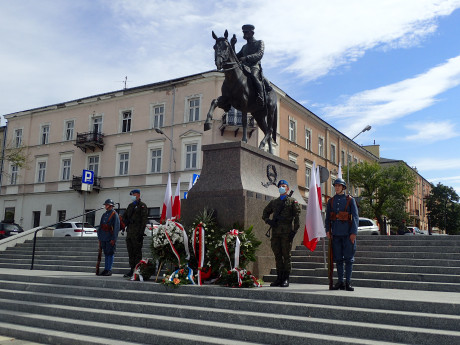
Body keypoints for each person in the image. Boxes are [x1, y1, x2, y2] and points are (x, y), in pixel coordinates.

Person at [262, 179, 301, 287]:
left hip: (286, 233)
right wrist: (268, 220)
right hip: (276, 233)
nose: (281, 187)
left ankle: (286, 279)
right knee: (277, 255)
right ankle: (279, 278)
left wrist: (294, 231)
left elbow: (297, 218)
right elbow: (265, 212)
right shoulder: (274, 202)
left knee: (286, 256)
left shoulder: (292, 201)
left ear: (287, 188)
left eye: (284, 185)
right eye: (280, 186)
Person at [325, 178, 359, 291]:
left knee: (349, 259)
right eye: (336, 186)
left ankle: (348, 282)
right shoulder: (331, 201)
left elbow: (355, 217)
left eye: (339, 186)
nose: (337, 187)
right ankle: (340, 282)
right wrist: (328, 231)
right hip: (336, 234)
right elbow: (328, 217)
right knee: (338, 259)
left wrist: (353, 232)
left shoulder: (350, 200)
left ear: (343, 187)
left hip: (348, 234)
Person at [234, 24, 266, 107]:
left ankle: (261, 97)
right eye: (244, 32)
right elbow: (235, 57)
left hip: (254, 66)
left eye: (246, 32)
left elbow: (259, 54)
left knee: (253, 76)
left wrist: (247, 58)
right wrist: (233, 45)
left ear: (252, 32)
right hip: (244, 67)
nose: (244, 34)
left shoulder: (259, 42)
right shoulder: (244, 47)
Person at [122, 189, 148, 278]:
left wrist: (141, 233)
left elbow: (144, 220)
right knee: (130, 252)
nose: (132, 196)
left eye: (133, 194)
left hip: (137, 233)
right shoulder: (130, 206)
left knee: (137, 252)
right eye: (131, 195)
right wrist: (126, 221)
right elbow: (124, 216)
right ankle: (132, 268)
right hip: (130, 232)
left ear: (138, 195)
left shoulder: (142, 206)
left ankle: (138, 269)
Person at [97, 199, 120, 276]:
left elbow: (116, 227)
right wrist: (99, 237)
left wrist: (114, 238)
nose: (105, 206)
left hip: (110, 237)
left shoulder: (114, 214)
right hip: (103, 237)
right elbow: (100, 226)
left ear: (110, 205)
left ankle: (109, 269)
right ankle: (106, 269)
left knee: (110, 253)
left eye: (106, 205)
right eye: (105, 205)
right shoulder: (104, 214)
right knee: (106, 253)